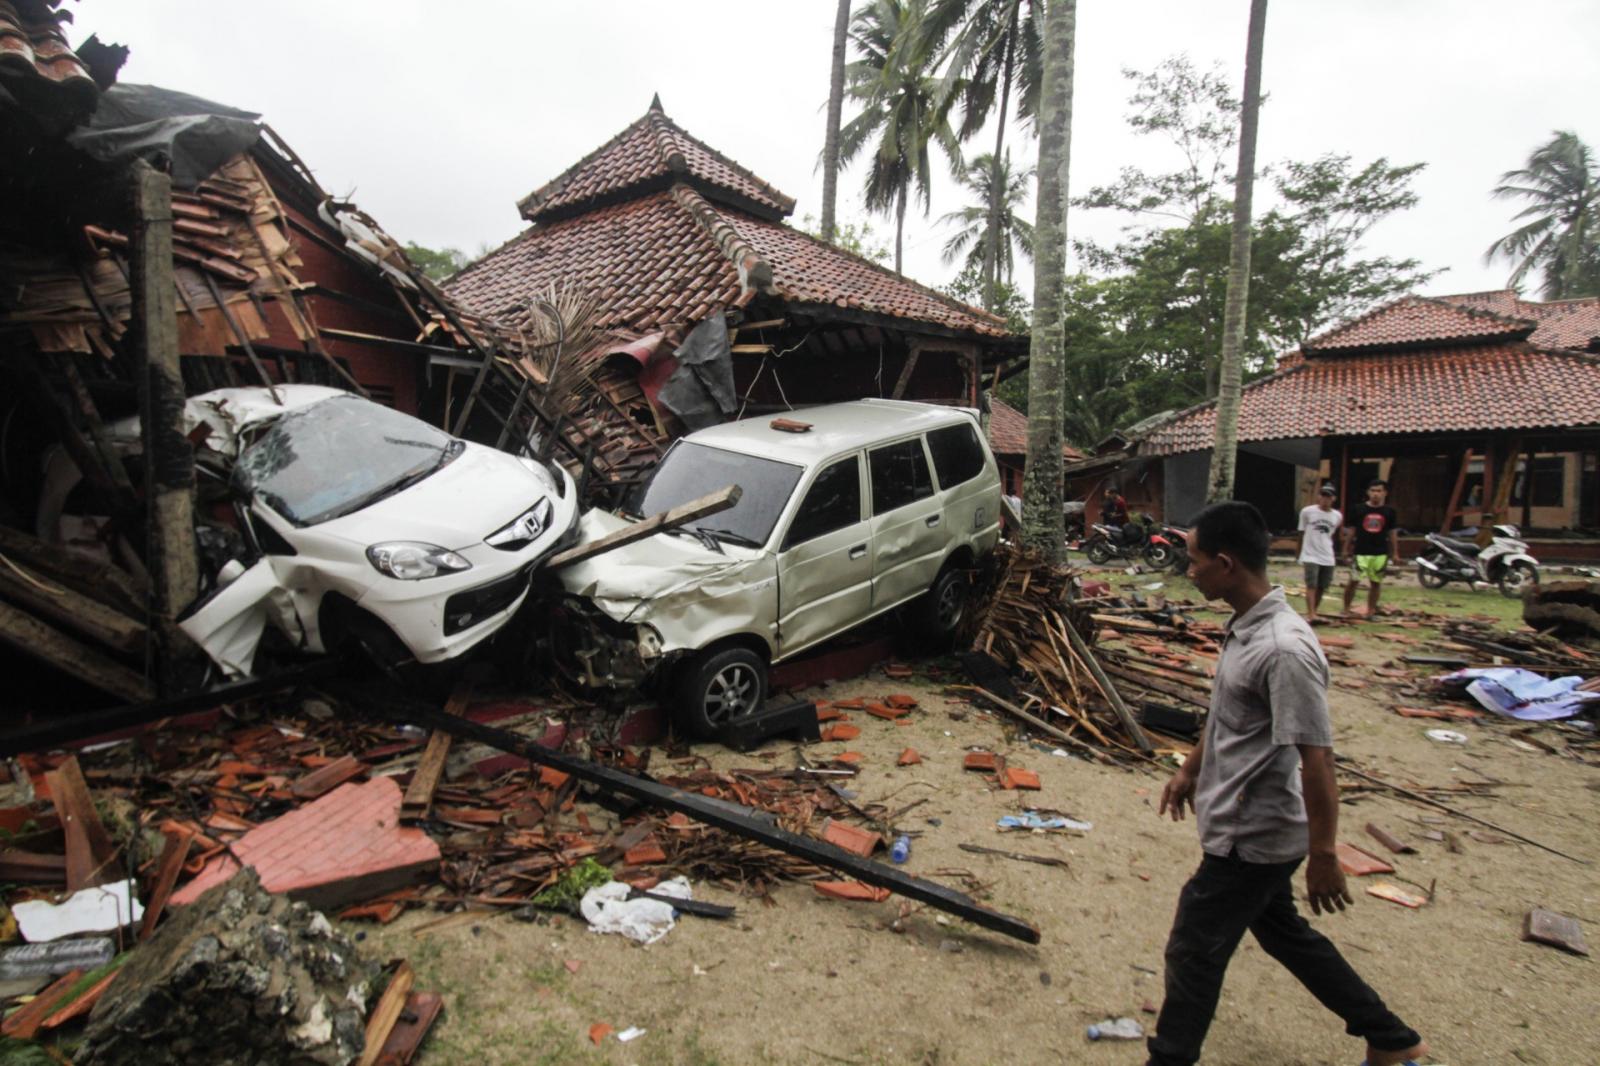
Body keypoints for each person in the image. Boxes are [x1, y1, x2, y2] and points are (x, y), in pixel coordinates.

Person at [1148, 501, 1427, 1066]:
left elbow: (1318, 760)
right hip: (1241, 821)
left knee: (1193, 950)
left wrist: (1324, 852)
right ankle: (1391, 1039)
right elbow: (1226, 713)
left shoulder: (1284, 651)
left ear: (1226, 564)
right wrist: (1189, 769)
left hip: (1254, 834)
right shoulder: (1245, 629)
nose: (1189, 569)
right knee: (1284, 935)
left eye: (1195, 560)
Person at [1341, 480, 1400, 619]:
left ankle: (1371, 611)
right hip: (1361, 551)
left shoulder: (1389, 512)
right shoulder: (1358, 509)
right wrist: (1345, 548)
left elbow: (1392, 533)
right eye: (1373, 490)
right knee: (1353, 581)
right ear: (1368, 492)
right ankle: (1346, 609)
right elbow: (1352, 530)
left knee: (1376, 583)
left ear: (1385, 493)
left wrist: (1395, 553)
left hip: (1380, 552)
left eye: (1379, 491)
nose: (1375, 494)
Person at [1296, 484, 1342, 622]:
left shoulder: (1337, 516)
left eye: (1328, 496)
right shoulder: (1307, 512)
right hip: (1310, 554)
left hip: (1327, 554)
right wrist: (1299, 553)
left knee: (1323, 585)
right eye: (1322, 495)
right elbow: (1301, 532)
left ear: (1333, 498)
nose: (1324, 499)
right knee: (1311, 584)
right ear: (1318, 496)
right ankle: (1310, 613)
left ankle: (1314, 611)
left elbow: (1333, 534)